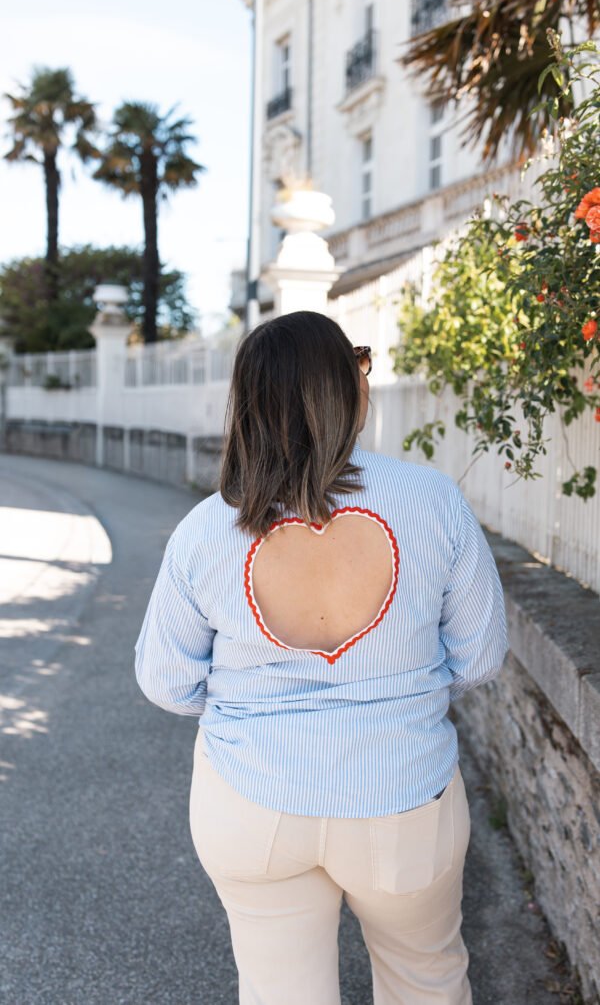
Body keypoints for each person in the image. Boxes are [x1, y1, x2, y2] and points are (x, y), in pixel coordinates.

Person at [134, 309, 508, 1005]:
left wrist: (251, 701)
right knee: (426, 978)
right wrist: (401, 688)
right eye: (359, 360)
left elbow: (165, 681)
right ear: (343, 386)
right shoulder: (432, 501)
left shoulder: (206, 530)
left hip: (251, 798)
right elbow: (480, 656)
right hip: (403, 794)